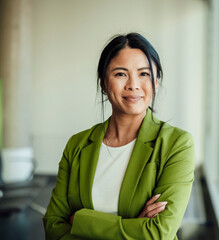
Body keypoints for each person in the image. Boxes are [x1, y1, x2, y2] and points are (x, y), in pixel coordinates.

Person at [43, 33, 195, 240]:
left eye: (144, 74)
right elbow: (53, 226)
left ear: (156, 83)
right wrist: (133, 227)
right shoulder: (77, 145)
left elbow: (159, 233)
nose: (133, 85)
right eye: (121, 74)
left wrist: (80, 220)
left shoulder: (176, 144)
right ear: (103, 84)